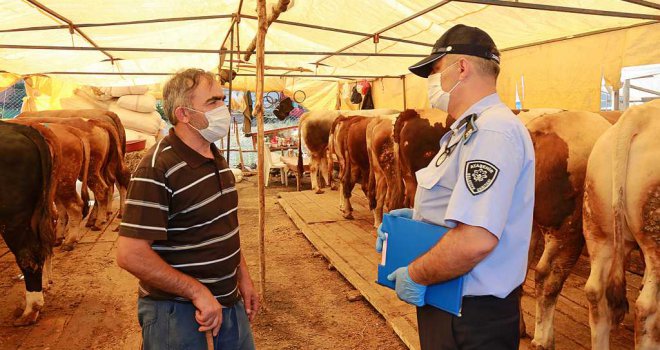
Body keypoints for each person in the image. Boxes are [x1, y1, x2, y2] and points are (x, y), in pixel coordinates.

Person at [377, 25, 535, 349]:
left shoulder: (493, 132)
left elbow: (476, 239)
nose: (433, 83)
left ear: (461, 68)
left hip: (472, 316)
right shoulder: (468, 130)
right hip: (450, 300)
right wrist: (415, 220)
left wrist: (417, 273)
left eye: (435, 71)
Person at [117, 68, 258, 350]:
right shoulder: (157, 167)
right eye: (213, 102)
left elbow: (223, 226)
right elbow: (130, 254)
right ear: (183, 114)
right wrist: (197, 291)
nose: (224, 109)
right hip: (178, 313)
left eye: (222, 99)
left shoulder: (214, 156)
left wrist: (243, 276)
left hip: (228, 304)